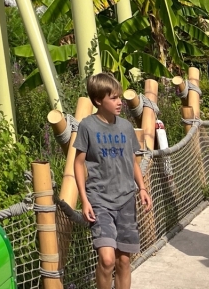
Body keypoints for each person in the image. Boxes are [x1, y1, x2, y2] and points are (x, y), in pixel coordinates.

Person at [74, 72, 152, 289]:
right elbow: (78, 164)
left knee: (124, 261)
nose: (120, 102)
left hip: (126, 199)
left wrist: (142, 188)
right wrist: (84, 199)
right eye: (114, 98)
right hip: (100, 201)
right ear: (99, 100)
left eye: (119, 97)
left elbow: (133, 162)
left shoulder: (126, 127)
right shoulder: (87, 127)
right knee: (107, 260)